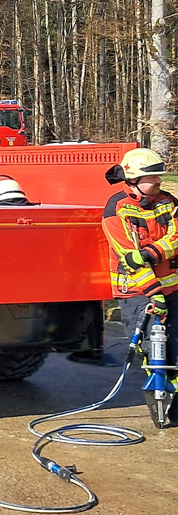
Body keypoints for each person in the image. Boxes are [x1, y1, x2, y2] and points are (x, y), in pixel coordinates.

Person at [92, 148, 178, 384]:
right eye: (153, 178)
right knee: (152, 346)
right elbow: (130, 260)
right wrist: (154, 293)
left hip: (172, 288)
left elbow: (176, 236)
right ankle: (160, 391)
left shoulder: (168, 202)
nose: (160, 181)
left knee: (176, 345)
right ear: (133, 181)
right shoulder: (116, 209)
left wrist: (152, 252)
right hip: (137, 292)